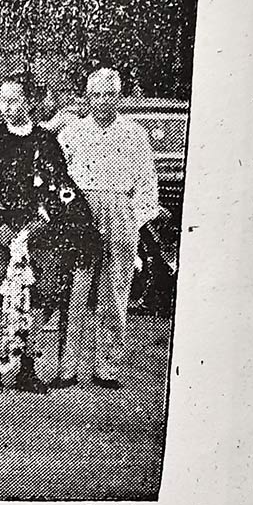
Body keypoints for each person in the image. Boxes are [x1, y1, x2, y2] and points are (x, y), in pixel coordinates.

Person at [0, 77, 97, 393]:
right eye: (3, 100)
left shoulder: (47, 142)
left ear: (29, 101)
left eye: (14, 99)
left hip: (41, 233)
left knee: (41, 296)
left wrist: (37, 225)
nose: (8, 107)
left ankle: (27, 365)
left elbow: (59, 189)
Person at [55, 67, 160, 388]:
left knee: (114, 291)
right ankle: (67, 365)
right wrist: (65, 215)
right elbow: (56, 176)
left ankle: (107, 366)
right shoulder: (72, 132)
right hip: (81, 212)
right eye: (97, 95)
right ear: (87, 98)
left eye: (110, 95)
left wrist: (133, 219)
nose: (103, 101)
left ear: (119, 97)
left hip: (119, 211)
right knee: (76, 289)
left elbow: (146, 184)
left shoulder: (135, 134)